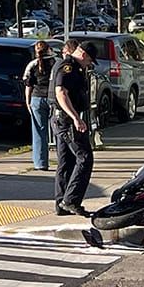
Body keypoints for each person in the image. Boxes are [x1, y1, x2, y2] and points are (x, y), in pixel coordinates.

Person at [50, 41, 95, 216]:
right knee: (85, 157)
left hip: (61, 120)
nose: (89, 64)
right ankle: (71, 200)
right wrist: (76, 118)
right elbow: (61, 93)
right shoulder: (68, 67)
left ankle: (61, 204)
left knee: (66, 162)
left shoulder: (69, 65)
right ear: (83, 55)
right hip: (67, 121)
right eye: (89, 61)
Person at [23, 39, 56, 170]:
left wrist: (28, 101)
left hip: (36, 98)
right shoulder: (56, 63)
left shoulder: (32, 65)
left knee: (39, 132)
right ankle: (64, 160)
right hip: (53, 99)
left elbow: (28, 84)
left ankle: (40, 163)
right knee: (58, 130)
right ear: (48, 49)